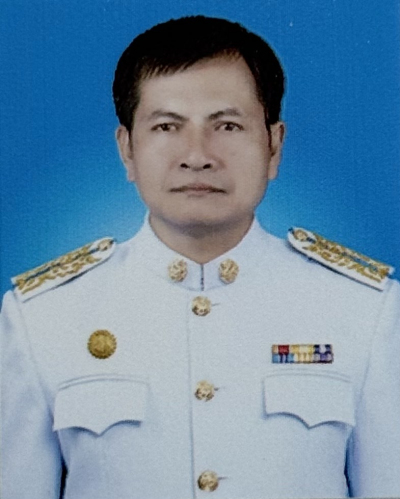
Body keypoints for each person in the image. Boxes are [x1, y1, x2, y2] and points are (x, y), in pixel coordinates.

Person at [1, 15, 399, 499]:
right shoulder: (42, 317)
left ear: (274, 145)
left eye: (227, 125)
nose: (197, 156)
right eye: (167, 126)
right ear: (127, 150)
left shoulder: (365, 310)